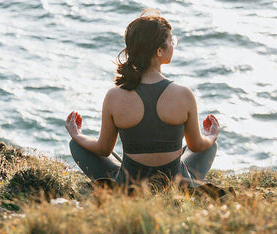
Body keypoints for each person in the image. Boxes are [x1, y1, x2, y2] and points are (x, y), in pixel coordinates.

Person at [65, 9, 220, 188]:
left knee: (77, 145)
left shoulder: (114, 96)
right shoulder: (183, 94)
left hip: (129, 184)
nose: (173, 44)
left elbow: (103, 149)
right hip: (176, 184)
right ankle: (187, 183)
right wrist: (211, 135)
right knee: (210, 146)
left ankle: (121, 182)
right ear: (159, 51)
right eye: (172, 40)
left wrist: (76, 134)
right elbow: (197, 145)